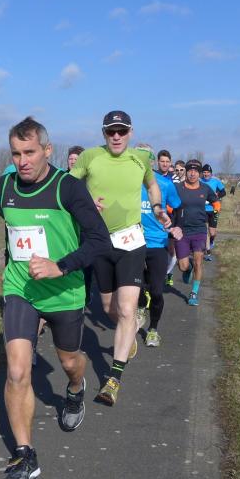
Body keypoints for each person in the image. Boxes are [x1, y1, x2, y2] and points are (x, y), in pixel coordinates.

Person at [0, 117, 110, 479]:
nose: (22, 161)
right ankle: (24, 455)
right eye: (16, 153)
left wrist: (60, 266)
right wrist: (13, 266)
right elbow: (12, 230)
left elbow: (99, 241)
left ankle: (75, 390)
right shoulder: (5, 186)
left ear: (47, 150)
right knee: (16, 371)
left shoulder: (68, 188)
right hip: (21, 289)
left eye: (29, 152)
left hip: (64, 292)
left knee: (69, 361)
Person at [70, 110, 171, 406]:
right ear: (103, 133)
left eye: (121, 131)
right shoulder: (90, 157)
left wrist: (157, 207)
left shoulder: (140, 159)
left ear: (130, 132)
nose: (116, 136)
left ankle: (113, 379)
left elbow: (152, 185)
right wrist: (86, 204)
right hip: (99, 242)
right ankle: (130, 331)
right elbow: (68, 189)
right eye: (110, 131)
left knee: (127, 310)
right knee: (108, 307)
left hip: (131, 241)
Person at [134, 144, 182, 347]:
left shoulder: (164, 184)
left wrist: (174, 229)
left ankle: (153, 329)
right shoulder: (127, 182)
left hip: (157, 241)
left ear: (151, 161)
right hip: (133, 241)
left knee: (156, 290)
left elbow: (177, 207)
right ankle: (140, 306)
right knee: (134, 287)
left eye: (146, 157)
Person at [172, 160, 218, 306]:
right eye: (190, 171)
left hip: (199, 230)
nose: (192, 173)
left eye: (196, 171)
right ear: (186, 172)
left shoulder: (205, 188)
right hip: (182, 231)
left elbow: (216, 202)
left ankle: (194, 293)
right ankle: (189, 268)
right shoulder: (177, 187)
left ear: (199, 173)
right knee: (182, 266)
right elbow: (168, 202)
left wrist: (215, 212)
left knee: (199, 260)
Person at [165, 159, 187, 285]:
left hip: (180, 217)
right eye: (176, 170)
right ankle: (167, 272)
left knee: (174, 249)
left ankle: (168, 273)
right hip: (167, 216)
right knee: (168, 248)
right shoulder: (169, 180)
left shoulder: (187, 182)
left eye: (180, 170)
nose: (178, 172)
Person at [199, 164, 226, 261]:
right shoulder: (199, 181)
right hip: (203, 209)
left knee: (212, 232)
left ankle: (211, 241)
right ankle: (208, 250)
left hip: (214, 209)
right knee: (205, 230)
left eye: (208, 172)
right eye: (204, 172)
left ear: (211, 173)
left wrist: (216, 195)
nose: (206, 174)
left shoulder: (216, 181)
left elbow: (223, 192)